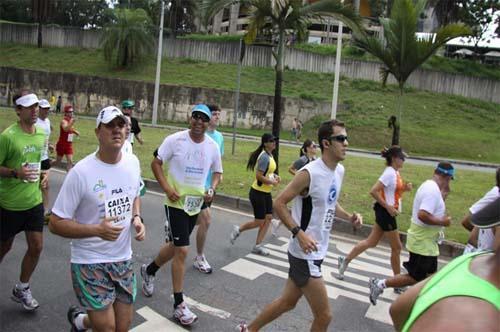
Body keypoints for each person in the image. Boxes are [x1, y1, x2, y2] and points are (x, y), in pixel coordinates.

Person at [236, 119, 363, 332]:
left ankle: (248, 330)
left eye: (346, 138)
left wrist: (349, 216)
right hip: (304, 255)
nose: (346, 143)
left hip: (317, 250)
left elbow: (329, 202)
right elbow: (279, 203)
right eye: (341, 138)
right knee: (324, 316)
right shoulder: (309, 173)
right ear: (326, 143)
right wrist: (299, 233)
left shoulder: (338, 171)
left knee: (287, 302)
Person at [48, 106, 145, 332]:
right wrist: (96, 230)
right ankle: (84, 321)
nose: (116, 130)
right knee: (107, 328)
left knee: (123, 326)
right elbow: (55, 223)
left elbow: (134, 194)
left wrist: (137, 218)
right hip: (89, 259)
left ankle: (80, 322)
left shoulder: (133, 163)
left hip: (122, 258)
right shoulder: (81, 173)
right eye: (109, 125)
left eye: (120, 125)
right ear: (97, 132)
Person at [140, 104, 222, 326]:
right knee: (183, 250)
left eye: (203, 119)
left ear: (208, 123)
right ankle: (179, 305)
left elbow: (218, 172)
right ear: (190, 119)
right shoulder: (174, 140)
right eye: (195, 117)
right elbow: (156, 163)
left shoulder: (212, 146)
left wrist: (212, 189)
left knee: (177, 246)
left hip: (195, 204)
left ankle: (149, 270)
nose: (198, 121)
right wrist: (167, 188)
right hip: (175, 202)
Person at [389, 197, 500, 332]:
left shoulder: (469, 261)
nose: (494, 229)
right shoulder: (480, 321)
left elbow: (397, 309)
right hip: (422, 244)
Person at [368, 162, 455, 305]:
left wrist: (444, 195)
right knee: (415, 277)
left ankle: (424, 303)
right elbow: (423, 215)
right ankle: (379, 284)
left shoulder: (430, 187)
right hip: (422, 242)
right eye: (449, 180)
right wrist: (443, 221)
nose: (449, 183)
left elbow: (431, 208)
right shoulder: (432, 191)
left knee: (430, 276)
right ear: (447, 177)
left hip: (426, 242)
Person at [337, 146, 413, 294]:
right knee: (396, 247)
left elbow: (391, 191)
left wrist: (405, 189)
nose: (404, 160)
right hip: (385, 213)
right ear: (394, 159)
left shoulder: (395, 172)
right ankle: (397, 282)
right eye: (401, 158)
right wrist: (388, 207)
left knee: (371, 242)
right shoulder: (389, 173)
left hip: (385, 212)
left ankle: (345, 260)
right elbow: (373, 190)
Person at [0, 91, 45, 311]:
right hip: (9, 204)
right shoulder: (8, 137)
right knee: (4, 246)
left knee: (36, 246)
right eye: (28, 106)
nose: (34, 110)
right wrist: (15, 173)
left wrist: (44, 176)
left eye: (36, 106)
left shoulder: (40, 134)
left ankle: (22, 288)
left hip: (33, 202)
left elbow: (37, 162)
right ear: (18, 111)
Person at [229, 133, 281, 256]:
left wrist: (275, 176)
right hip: (257, 193)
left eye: (275, 140)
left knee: (268, 219)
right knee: (259, 221)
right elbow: (258, 176)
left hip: (266, 193)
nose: (274, 142)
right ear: (265, 143)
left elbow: (267, 173)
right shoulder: (264, 157)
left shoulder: (270, 155)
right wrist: (272, 181)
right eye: (272, 140)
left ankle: (257, 245)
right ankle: (238, 229)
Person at [193, 104, 224, 274]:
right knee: (206, 219)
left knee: (197, 220)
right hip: (197, 186)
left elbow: (218, 161)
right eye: (214, 114)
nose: (217, 117)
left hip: (210, 186)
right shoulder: (197, 136)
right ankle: (199, 257)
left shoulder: (219, 138)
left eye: (218, 114)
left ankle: (174, 226)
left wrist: (218, 177)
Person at [271, 139, 318, 236]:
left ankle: (278, 223)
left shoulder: (315, 160)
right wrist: (300, 178)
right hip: (300, 190)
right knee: (298, 211)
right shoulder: (303, 160)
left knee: (297, 210)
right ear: (308, 148)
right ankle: (295, 229)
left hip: (307, 190)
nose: (316, 148)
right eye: (314, 146)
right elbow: (290, 169)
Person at [461, 167, 499, 254]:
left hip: (476, 258)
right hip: (484, 262)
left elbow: (472, 238)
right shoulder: (495, 196)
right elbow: (466, 221)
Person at [35, 99, 54, 222]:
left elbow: (47, 137)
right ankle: (35, 209)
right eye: (44, 108)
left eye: (48, 109)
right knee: (35, 185)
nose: (46, 111)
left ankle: (46, 211)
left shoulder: (47, 121)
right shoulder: (34, 122)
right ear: (39, 109)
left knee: (45, 185)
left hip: (45, 157)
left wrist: (50, 145)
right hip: (35, 158)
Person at [55, 105, 79, 171]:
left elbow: (70, 129)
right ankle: (47, 167)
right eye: (69, 112)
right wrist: (72, 122)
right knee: (57, 162)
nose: (71, 113)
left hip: (68, 145)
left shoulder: (70, 120)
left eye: (72, 111)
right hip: (62, 145)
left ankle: (69, 177)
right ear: (66, 113)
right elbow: (65, 129)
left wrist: (75, 132)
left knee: (70, 161)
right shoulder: (63, 121)